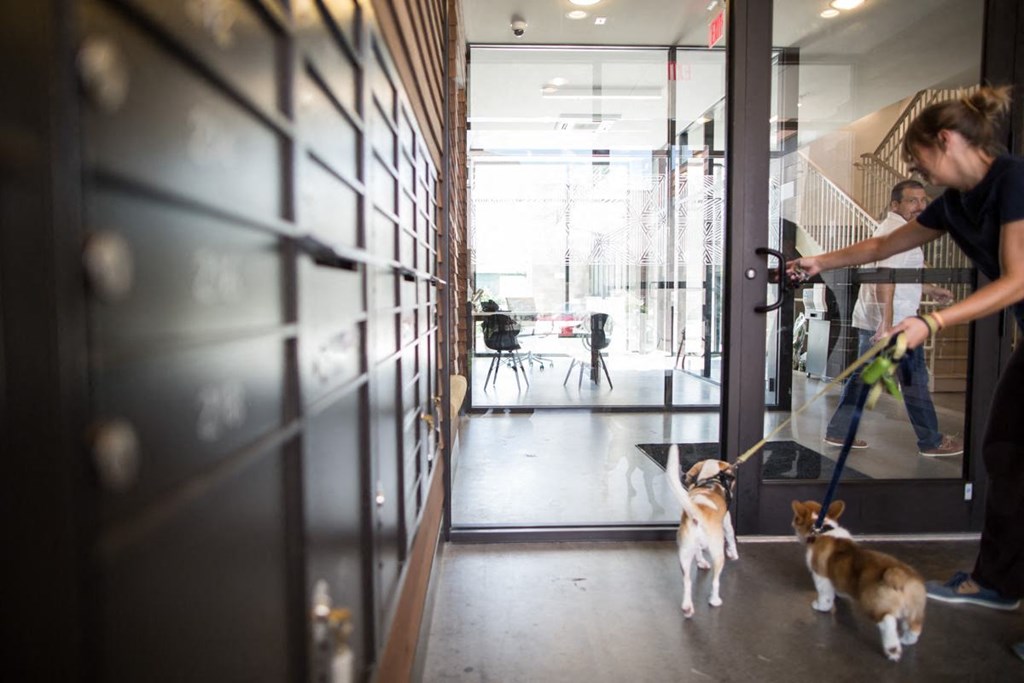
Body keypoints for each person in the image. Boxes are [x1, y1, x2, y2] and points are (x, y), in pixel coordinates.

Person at [787, 87, 1024, 642]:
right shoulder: (955, 202)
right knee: (1005, 452)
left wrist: (930, 322)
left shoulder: (1013, 180)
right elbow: (879, 248)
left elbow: (1017, 280)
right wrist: (819, 259)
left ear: (946, 140)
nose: (913, 168)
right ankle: (998, 581)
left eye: (918, 157)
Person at [822, 180, 964, 456]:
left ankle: (839, 432)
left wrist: (932, 289)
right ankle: (931, 441)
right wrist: (886, 324)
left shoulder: (903, 232)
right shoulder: (896, 232)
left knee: (871, 380)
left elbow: (906, 272)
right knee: (914, 383)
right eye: (912, 201)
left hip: (887, 322)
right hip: (894, 325)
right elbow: (884, 279)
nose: (920, 207)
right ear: (895, 205)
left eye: (923, 201)